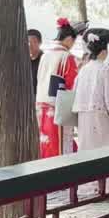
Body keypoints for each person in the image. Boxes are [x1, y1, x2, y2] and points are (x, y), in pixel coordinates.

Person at [74, 28, 109, 151]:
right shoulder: (105, 70)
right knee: (105, 156)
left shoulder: (83, 70)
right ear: (103, 51)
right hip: (101, 121)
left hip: (84, 120)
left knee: (87, 157)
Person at [36, 18, 80, 158]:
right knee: (61, 147)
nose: (72, 44)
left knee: (45, 144)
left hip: (41, 106)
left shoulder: (45, 56)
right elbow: (72, 84)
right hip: (58, 107)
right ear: (68, 39)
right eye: (73, 41)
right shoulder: (67, 57)